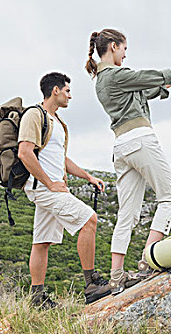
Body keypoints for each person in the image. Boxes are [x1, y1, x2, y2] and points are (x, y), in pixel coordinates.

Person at [85, 29, 171, 294]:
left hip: (121, 147)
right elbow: (147, 77)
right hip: (140, 141)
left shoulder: (102, 80)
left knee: (127, 213)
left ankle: (116, 278)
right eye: (124, 49)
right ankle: (148, 262)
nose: (125, 54)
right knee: (170, 198)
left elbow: (144, 90)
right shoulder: (115, 75)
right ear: (113, 47)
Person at [18, 72, 111, 307]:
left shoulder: (57, 122)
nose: (70, 95)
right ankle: (91, 284)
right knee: (89, 219)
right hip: (45, 189)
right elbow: (24, 152)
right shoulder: (34, 115)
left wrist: (88, 176)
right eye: (67, 90)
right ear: (55, 90)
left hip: (51, 189)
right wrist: (49, 183)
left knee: (42, 241)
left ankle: (37, 298)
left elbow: (62, 159)